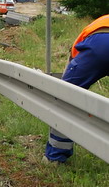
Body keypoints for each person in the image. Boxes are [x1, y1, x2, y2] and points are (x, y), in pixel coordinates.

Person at [44, 14, 109, 163]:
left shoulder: (80, 43)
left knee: (66, 100)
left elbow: (71, 74)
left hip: (100, 42)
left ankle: (55, 157)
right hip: (100, 39)